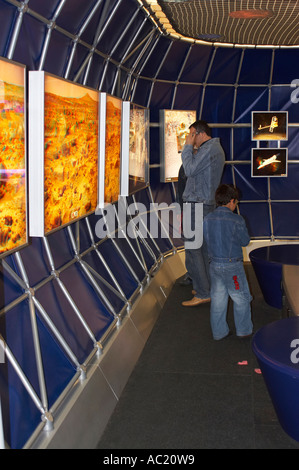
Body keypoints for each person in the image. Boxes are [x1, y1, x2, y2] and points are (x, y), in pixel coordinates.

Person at [181, 120, 225, 306]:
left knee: (193, 249)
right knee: (202, 249)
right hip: (201, 204)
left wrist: (187, 147)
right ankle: (205, 286)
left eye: (191, 135)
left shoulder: (209, 149)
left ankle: (202, 292)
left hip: (198, 204)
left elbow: (189, 169)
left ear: (199, 133)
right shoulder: (211, 149)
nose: (190, 139)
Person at [203, 184, 253, 340]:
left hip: (214, 265)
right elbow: (245, 241)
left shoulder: (207, 218)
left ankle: (219, 333)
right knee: (241, 298)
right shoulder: (237, 219)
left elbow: (205, 240)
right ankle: (244, 331)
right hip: (233, 267)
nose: (235, 205)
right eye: (236, 203)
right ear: (232, 201)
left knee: (218, 300)